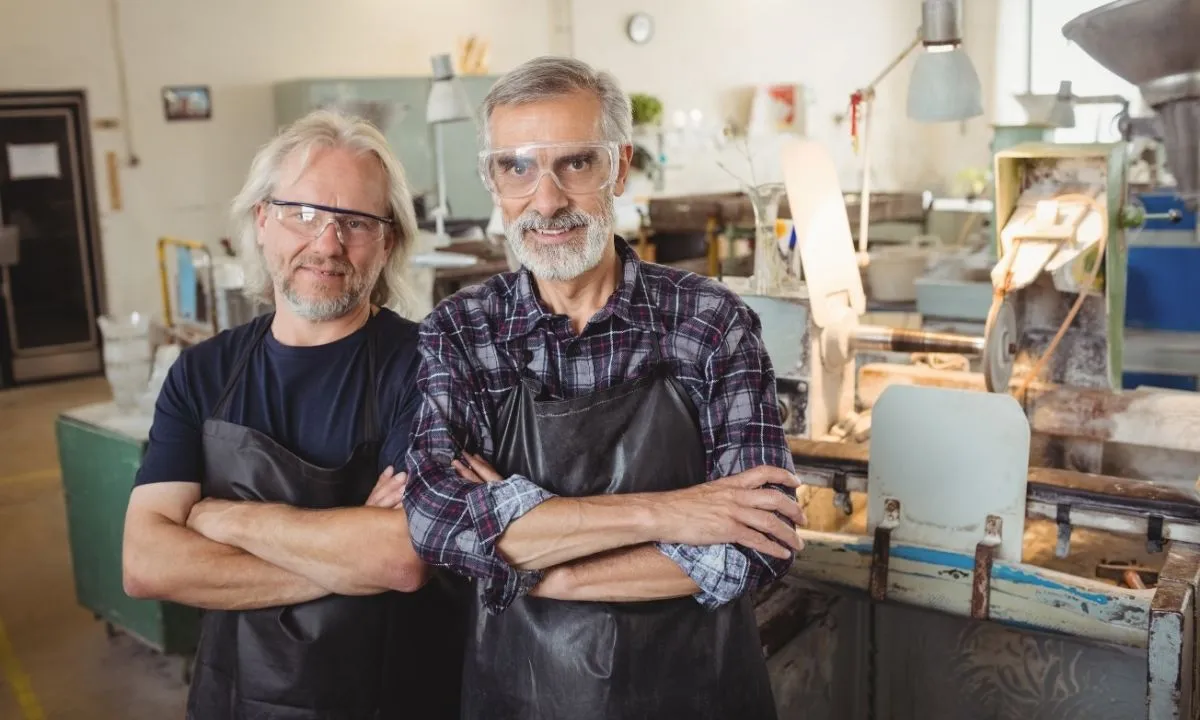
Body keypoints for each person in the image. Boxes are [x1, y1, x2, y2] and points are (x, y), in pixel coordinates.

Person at [402, 56, 805, 720]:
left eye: (577, 163)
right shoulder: (463, 333)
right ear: (492, 181)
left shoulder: (709, 322)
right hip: (521, 696)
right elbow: (437, 520)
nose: (548, 198)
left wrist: (534, 565)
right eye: (518, 167)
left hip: (697, 695)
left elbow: (755, 543)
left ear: (618, 167)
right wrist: (672, 513)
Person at [122, 109, 464, 720]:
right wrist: (347, 548)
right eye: (302, 214)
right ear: (262, 222)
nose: (326, 243)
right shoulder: (202, 373)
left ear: (386, 242)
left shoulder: (428, 364)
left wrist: (224, 521)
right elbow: (146, 564)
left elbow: (399, 559)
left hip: (392, 695)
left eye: (355, 222)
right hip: (236, 697)